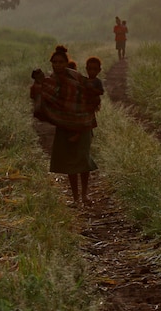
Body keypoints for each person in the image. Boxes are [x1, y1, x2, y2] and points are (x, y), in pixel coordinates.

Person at [37, 45, 98, 206]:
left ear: (66, 62)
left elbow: (88, 95)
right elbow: (46, 101)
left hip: (84, 124)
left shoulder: (76, 77)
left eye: (60, 62)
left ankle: (85, 195)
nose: (57, 65)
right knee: (71, 163)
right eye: (54, 62)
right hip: (65, 126)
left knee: (83, 160)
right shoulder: (51, 81)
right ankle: (76, 198)